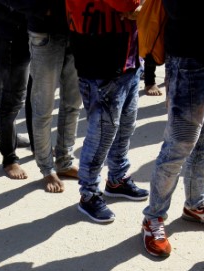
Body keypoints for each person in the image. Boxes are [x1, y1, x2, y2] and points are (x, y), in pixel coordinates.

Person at [141, 0, 204, 255]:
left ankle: (196, 204)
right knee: (179, 145)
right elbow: (179, 8)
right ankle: (154, 217)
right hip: (192, 59)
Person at [66, 0, 146, 224]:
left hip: (128, 58)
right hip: (100, 63)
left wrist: (142, 8)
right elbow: (127, 3)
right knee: (101, 134)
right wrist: (141, 7)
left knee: (125, 126)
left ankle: (117, 178)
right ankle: (89, 193)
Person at [8, 0, 81, 192]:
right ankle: (47, 168)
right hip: (45, 33)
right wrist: (42, 8)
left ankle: (64, 161)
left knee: (73, 104)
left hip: (77, 30)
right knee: (43, 108)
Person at [0, 0, 31, 180]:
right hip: (10, 34)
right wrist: (25, 17)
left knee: (33, 95)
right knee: (12, 99)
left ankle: (39, 147)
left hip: (35, 32)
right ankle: (9, 158)